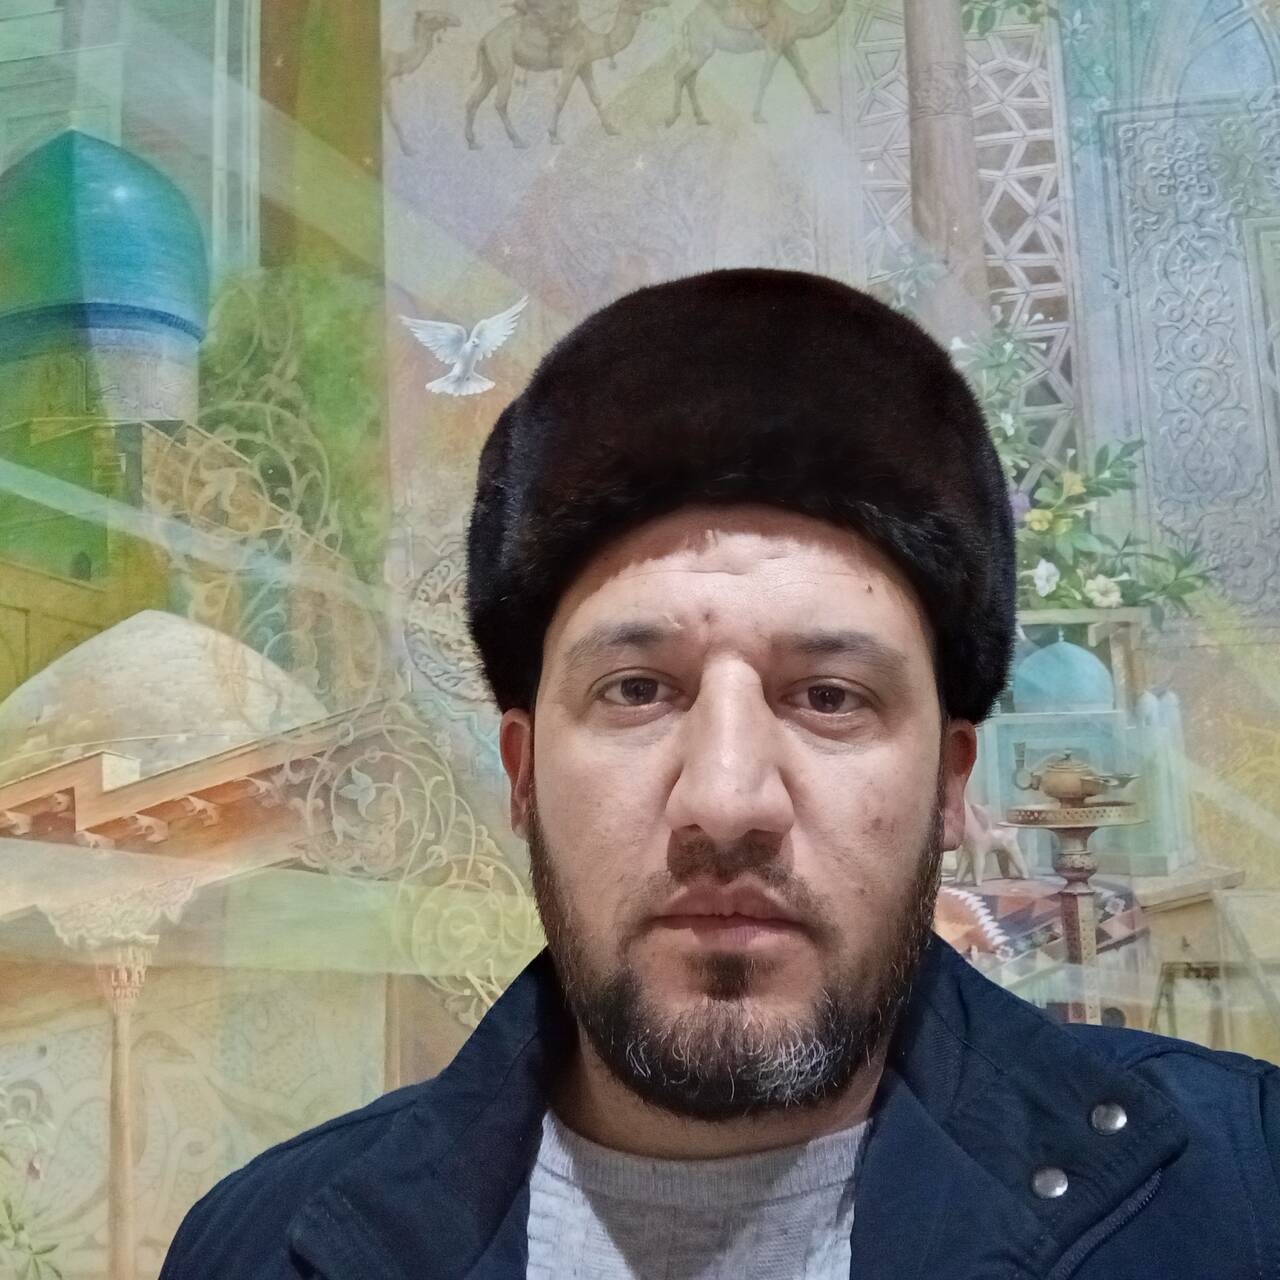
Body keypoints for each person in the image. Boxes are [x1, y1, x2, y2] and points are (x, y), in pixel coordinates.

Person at [160, 270, 1280, 1279]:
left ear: (949, 786)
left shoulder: (1242, 1201)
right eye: (636, 689)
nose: (727, 801)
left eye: (829, 696)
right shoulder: (254, 1251)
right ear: (522, 770)